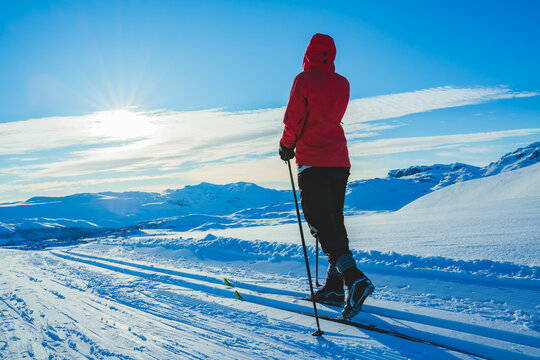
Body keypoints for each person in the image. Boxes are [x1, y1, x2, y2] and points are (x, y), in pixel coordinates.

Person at [278, 33, 374, 320]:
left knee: (319, 222)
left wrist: (286, 145)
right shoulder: (342, 82)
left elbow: (294, 117)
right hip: (339, 160)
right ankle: (333, 287)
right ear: (331, 54)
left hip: (313, 162)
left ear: (308, 53)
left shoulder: (303, 80)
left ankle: (353, 278)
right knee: (334, 220)